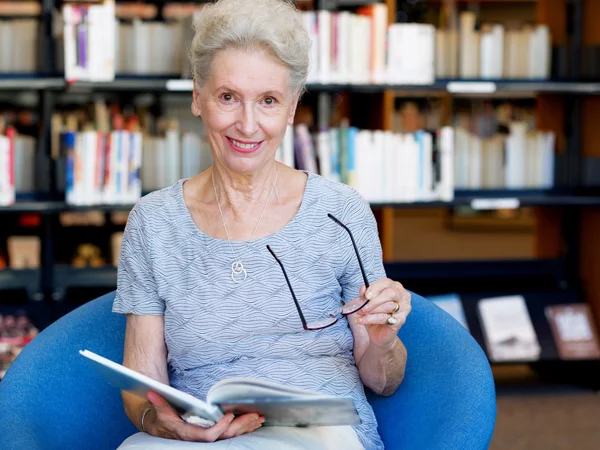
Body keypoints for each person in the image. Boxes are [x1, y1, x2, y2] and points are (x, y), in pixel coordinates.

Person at [112, 0, 411, 448]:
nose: (247, 125)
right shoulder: (153, 223)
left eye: (268, 101)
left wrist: (384, 342)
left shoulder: (341, 212)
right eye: (228, 97)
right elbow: (143, 383)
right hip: (203, 441)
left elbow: (383, 382)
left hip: (320, 433)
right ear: (198, 97)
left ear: (292, 107)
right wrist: (160, 423)